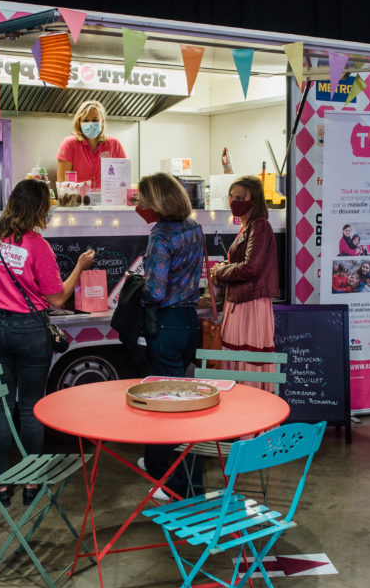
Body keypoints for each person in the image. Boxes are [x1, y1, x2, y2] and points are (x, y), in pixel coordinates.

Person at [0, 179, 95, 507]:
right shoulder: (38, 246)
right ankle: (31, 483)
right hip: (29, 329)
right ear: (40, 209)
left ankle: (0, 486)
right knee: (30, 406)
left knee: (0, 407)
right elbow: (57, 298)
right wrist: (80, 267)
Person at [136, 172, 204, 499]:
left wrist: (137, 290)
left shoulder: (160, 235)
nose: (139, 206)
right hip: (190, 322)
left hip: (166, 324)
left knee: (165, 403)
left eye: (142, 201)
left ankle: (173, 483)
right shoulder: (194, 228)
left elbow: (156, 290)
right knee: (179, 397)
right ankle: (158, 462)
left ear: (158, 202)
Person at [211, 175, 280, 392]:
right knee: (238, 358)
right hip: (242, 300)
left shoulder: (259, 226)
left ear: (255, 200)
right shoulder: (250, 225)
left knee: (246, 360)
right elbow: (246, 263)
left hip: (250, 302)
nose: (234, 202)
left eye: (240, 198)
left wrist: (220, 271)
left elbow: (251, 267)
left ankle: (252, 404)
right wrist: (223, 267)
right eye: (232, 197)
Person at [56, 99, 126, 190]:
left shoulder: (114, 145)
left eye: (94, 120)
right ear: (79, 122)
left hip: (108, 198)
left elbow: (124, 179)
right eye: (85, 120)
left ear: (102, 122)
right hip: (78, 199)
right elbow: (63, 185)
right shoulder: (69, 144)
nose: (90, 124)